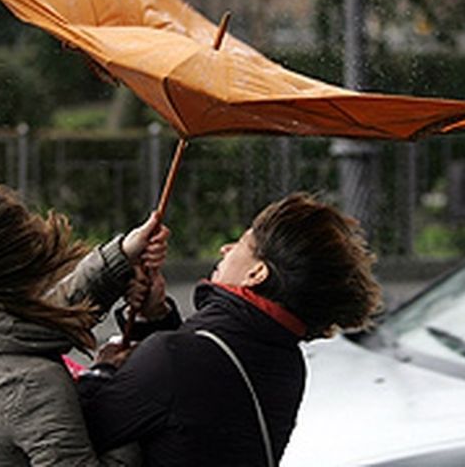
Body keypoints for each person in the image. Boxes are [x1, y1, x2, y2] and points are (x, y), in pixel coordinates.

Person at [79, 192, 384, 467]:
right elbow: (189, 404)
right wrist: (154, 316)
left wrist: (102, 370)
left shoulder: (177, 359)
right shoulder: (284, 360)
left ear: (256, 273)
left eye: (240, 243)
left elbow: (78, 432)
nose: (225, 249)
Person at [0, 178, 167, 467]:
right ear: (17, 271)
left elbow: (17, 328)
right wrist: (113, 383)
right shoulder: (32, 385)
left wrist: (119, 260)